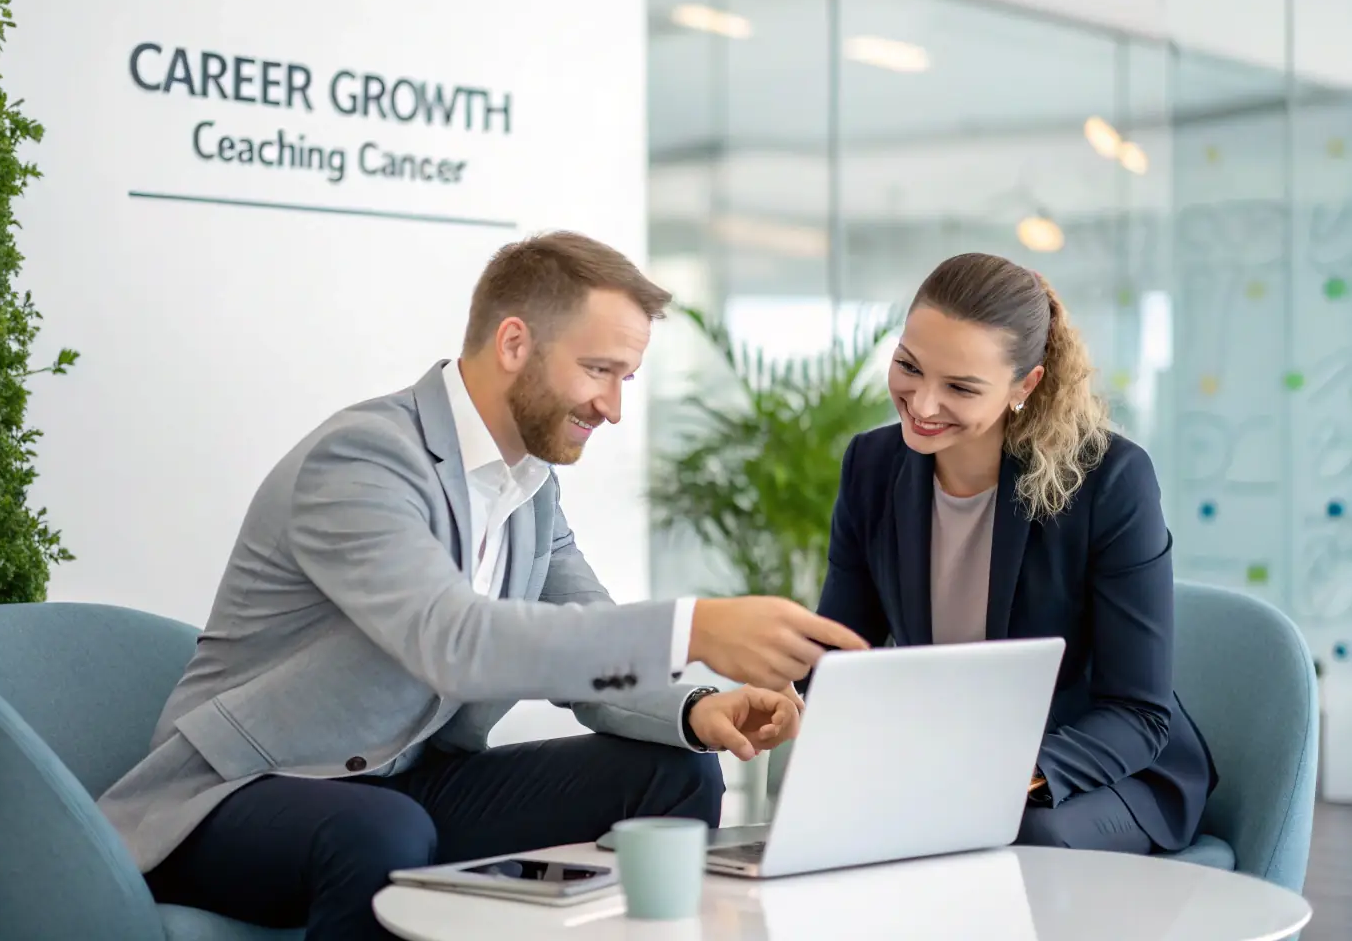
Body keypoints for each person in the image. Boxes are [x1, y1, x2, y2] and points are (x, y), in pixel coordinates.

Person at [98, 230, 868, 939]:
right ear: (513, 343)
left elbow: (590, 660)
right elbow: (454, 641)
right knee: (380, 833)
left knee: (670, 772)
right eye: (599, 371)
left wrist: (698, 709)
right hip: (236, 796)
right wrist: (695, 628)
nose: (613, 406)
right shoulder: (363, 458)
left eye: (625, 377)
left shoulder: (529, 486)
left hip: (409, 788)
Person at [812, 251, 1217, 854]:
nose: (921, 405)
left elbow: (1137, 713)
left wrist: (995, 777)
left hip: (1096, 773)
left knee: (1022, 834)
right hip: (943, 765)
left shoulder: (1109, 480)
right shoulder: (872, 466)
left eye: (960, 388)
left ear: (1025, 386)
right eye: (908, 366)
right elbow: (841, 654)